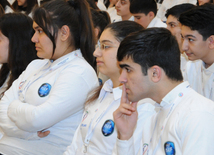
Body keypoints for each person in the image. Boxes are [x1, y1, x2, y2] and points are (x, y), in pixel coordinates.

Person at [0, 0, 98, 154]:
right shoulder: (36, 65)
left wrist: (13, 106)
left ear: (64, 33)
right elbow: (1, 108)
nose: (33, 39)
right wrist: (27, 132)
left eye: (40, 31)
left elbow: (37, 119)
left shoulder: (79, 72)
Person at [113, 28, 214, 154]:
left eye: (128, 70)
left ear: (155, 73)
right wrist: (125, 136)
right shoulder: (153, 119)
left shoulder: (198, 114)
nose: (121, 79)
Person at [63, 21, 155, 155]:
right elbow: (75, 146)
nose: (96, 53)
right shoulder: (99, 94)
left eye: (105, 46)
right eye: (98, 46)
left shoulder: (142, 106)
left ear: (130, 51)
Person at [180, 4, 214, 101]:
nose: (184, 47)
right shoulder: (191, 67)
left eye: (190, 39)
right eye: (183, 38)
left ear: (211, 41)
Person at [165, 3, 195, 70]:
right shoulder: (168, 53)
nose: (167, 30)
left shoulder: (197, 59)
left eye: (172, 25)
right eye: (167, 25)